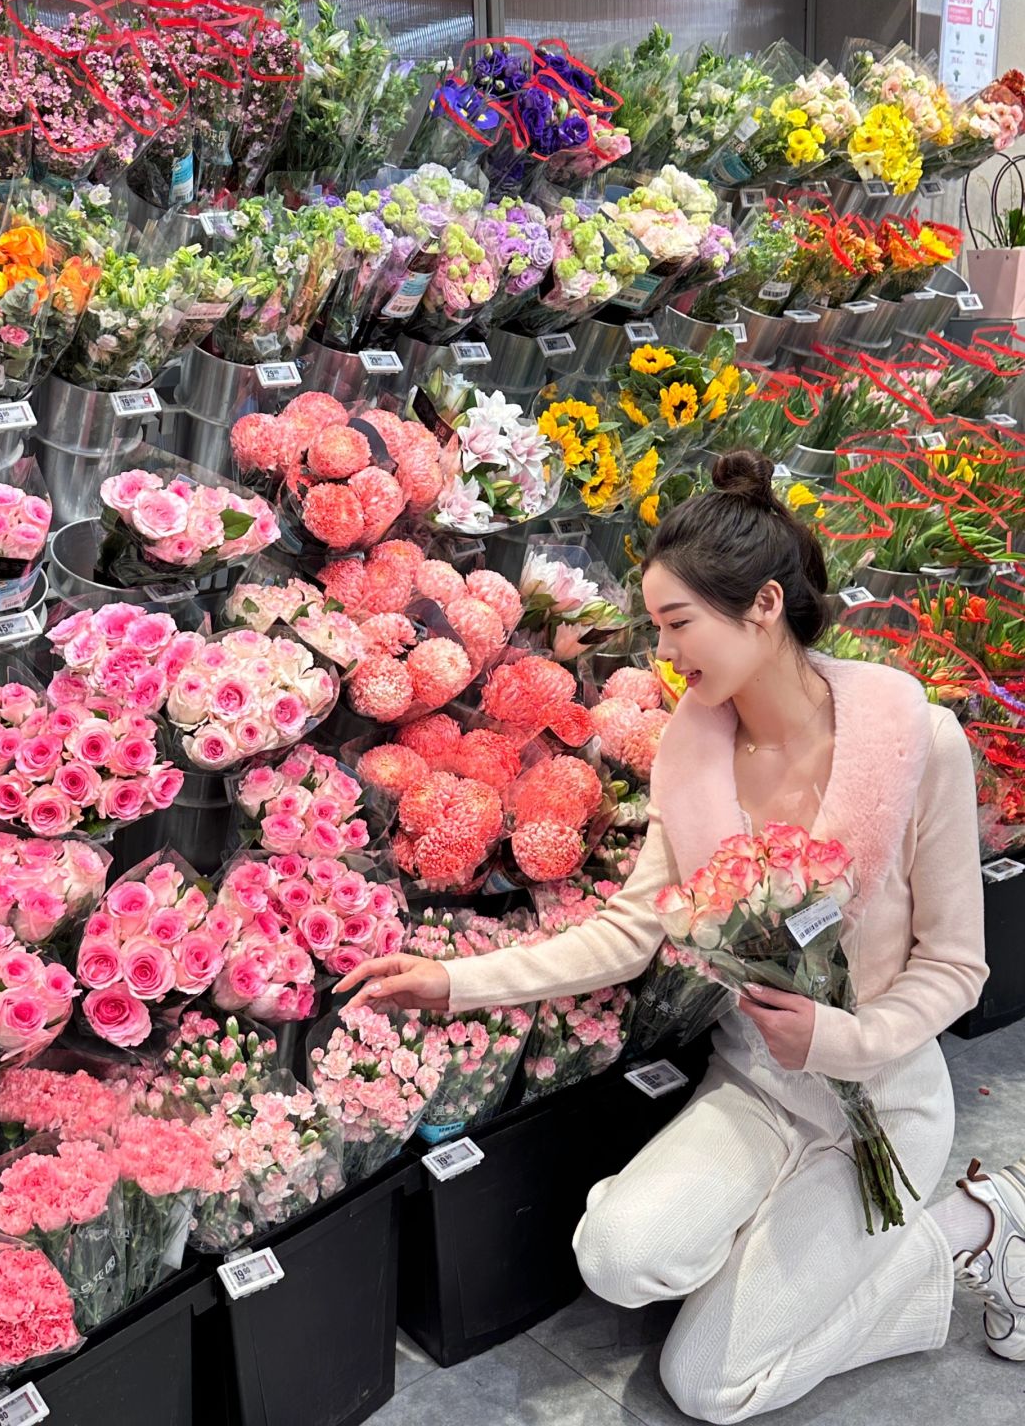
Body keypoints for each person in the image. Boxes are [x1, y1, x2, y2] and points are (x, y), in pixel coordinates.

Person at [338, 450, 1023, 1424]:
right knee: (618, 1256)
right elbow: (628, 932)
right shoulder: (691, 753)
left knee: (707, 1387)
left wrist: (844, 1039)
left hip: (882, 1107)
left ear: (764, 607)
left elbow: (958, 963)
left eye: (678, 625)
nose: (665, 655)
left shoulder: (918, 744)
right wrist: (453, 979)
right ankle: (808, 1257)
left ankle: (967, 1223)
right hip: (755, 1088)